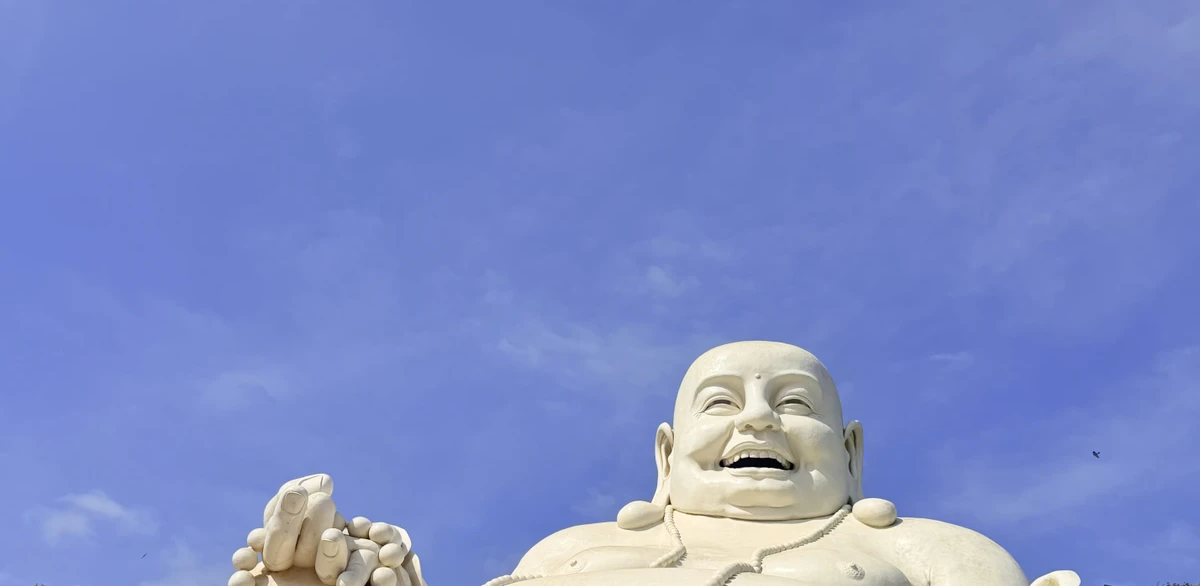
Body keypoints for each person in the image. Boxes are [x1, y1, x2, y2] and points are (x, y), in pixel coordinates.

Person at [229, 341, 1080, 586]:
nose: (756, 418)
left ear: (851, 453)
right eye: (720, 402)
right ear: (665, 456)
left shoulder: (924, 552)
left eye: (792, 401)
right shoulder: (567, 556)